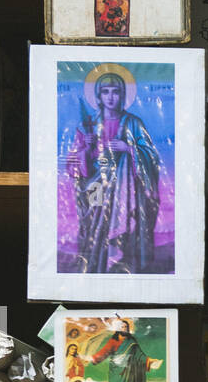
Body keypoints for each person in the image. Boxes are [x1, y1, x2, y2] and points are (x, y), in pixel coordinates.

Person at [68, 71, 161, 277]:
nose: (110, 97)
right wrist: (86, 149)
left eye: (116, 92)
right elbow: (73, 164)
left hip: (125, 190)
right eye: (105, 92)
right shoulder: (87, 125)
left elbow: (151, 156)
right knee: (95, 226)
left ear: (123, 95)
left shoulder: (133, 123)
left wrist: (128, 149)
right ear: (98, 96)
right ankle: (97, 267)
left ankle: (122, 266)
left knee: (124, 222)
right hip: (95, 186)